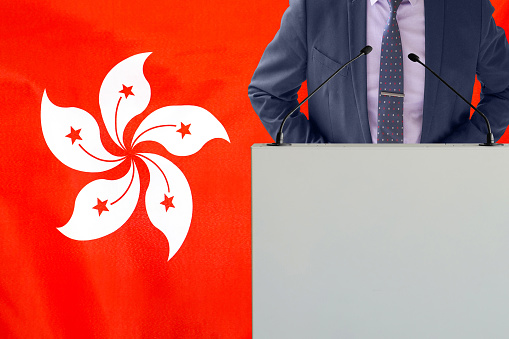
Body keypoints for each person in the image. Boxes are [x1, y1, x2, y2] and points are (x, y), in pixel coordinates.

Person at [248, 0, 509, 143]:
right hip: (338, 192)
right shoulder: (315, 6)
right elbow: (268, 92)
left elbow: (504, 90)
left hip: (439, 191)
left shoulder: (470, 9)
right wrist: (317, 157)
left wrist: (461, 152)